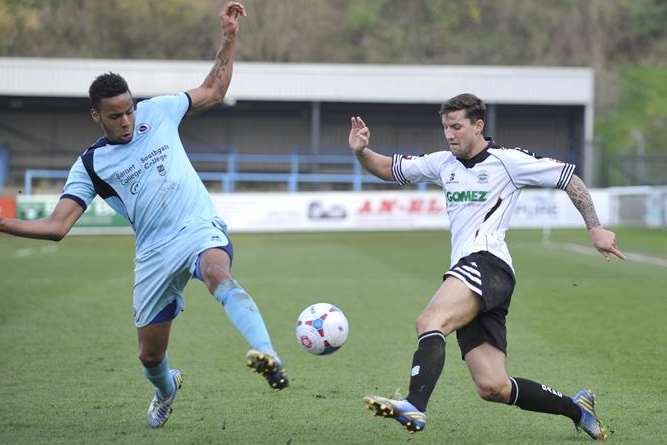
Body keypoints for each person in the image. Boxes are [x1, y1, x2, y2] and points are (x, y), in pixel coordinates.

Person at [0, 2, 288, 429]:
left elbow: (213, 90)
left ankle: (269, 355)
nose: (128, 121)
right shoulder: (91, 165)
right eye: (115, 116)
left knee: (217, 271)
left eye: (130, 109)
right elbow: (57, 227)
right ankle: (166, 389)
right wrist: (4, 224)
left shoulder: (159, 111)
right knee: (149, 355)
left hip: (196, 227)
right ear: (96, 115)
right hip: (153, 254)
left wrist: (229, 37)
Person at [348, 93, 624, 441]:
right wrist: (360, 151)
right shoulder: (441, 163)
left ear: (478, 125)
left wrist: (594, 227)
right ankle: (577, 408)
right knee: (493, 386)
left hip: (488, 263)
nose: (450, 134)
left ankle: (414, 404)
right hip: (476, 273)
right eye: (446, 127)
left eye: (457, 126)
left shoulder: (508, 161)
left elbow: (569, 179)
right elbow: (389, 168)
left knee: (430, 321)